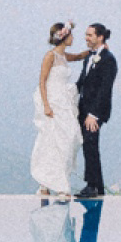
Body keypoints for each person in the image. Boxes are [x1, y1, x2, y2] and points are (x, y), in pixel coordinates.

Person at [30, 20, 85, 199]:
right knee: (51, 140)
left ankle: (52, 181)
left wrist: (95, 51)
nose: (73, 38)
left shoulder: (63, 56)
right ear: (64, 37)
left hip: (64, 102)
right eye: (71, 35)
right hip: (53, 102)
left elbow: (77, 57)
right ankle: (51, 184)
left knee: (68, 139)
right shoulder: (50, 56)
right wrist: (46, 104)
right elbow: (42, 80)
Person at [75, 23, 117, 198]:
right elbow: (82, 82)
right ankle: (97, 186)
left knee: (91, 144)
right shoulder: (89, 57)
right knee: (88, 145)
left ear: (100, 37)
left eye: (90, 35)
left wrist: (94, 115)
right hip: (83, 109)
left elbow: (104, 89)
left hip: (95, 111)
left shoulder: (108, 59)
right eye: (86, 34)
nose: (86, 38)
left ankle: (91, 185)